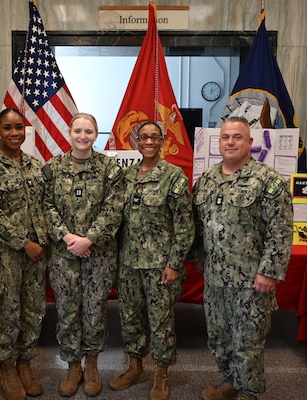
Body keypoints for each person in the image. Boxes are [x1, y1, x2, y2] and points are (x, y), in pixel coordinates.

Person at [189, 116, 293, 400]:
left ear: (249, 142)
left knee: (247, 342)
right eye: (225, 137)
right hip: (215, 278)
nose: (230, 142)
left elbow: (280, 230)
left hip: (251, 280)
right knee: (219, 339)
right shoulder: (207, 180)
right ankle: (231, 382)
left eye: (237, 137)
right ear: (219, 142)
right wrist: (197, 256)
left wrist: (269, 272)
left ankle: (250, 392)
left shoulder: (267, 181)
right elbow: (198, 223)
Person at [109, 121, 194, 400]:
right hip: (128, 263)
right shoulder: (126, 176)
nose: (148, 142)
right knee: (130, 318)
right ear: (135, 140)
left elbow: (185, 225)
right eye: (143, 137)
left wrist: (174, 264)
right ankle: (135, 367)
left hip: (160, 265)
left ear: (162, 140)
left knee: (160, 321)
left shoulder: (173, 176)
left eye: (153, 137)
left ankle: (161, 373)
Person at [42, 112, 123, 397]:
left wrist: (88, 239)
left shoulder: (109, 169)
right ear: (69, 132)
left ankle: (91, 364)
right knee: (67, 311)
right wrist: (68, 238)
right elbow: (46, 207)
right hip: (64, 255)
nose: (82, 136)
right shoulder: (53, 167)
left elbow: (114, 209)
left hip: (98, 254)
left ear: (95, 134)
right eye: (78, 130)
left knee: (95, 310)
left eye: (88, 131)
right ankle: (72, 364)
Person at [0, 108, 49, 400]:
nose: (14, 133)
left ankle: (25, 364)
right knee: (8, 314)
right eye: (8, 128)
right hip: (6, 256)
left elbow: (43, 206)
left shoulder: (34, 165)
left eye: (19, 127)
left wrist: (42, 243)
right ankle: (7, 369)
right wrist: (24, 243)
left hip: (35, 256)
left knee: (33, 312)